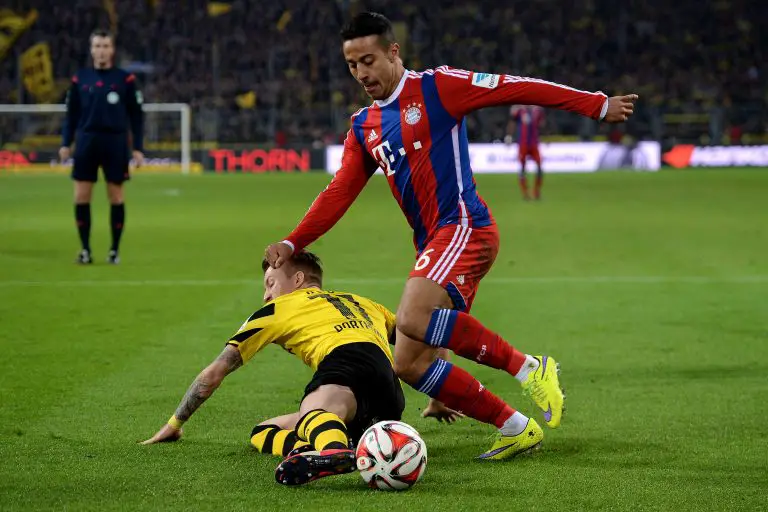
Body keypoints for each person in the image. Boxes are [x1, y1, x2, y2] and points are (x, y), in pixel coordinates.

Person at [265, 12, 638, 460]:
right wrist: (292, 243)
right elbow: (340, 191)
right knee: (409, 362)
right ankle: (516, 427)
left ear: (393, 51)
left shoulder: (437, 87)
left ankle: (530, 368)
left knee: (409, 318)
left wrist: (594, 104)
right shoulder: (364, 125)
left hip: (463, 227)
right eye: (351, 65)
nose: (361, 73)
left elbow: (512, 87)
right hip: (433, 245)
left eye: (368, 60)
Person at [141, 251, 412, 486]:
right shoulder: (362, 302)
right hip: (390, 394)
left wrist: (174, 423)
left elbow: (214, 372)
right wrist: (438, 395)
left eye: (271, 283)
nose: (266, 294)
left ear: (297, 280)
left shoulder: (278, 308)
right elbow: (419, 341)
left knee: (314, 409)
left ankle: (332, 450)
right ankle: (310, 449)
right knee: (264, 430)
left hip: (345, 362)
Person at [60, 29, 144, 265]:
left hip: (115, 141)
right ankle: (85, 250)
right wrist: (66, 143)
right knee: (81, 196)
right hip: (86, 141)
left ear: (112, 49)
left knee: (116, 196)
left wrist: (137, 147)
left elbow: (136, 116)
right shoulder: (80, 78)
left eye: (106, 46)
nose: (101, 50)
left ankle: (114, 251)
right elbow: (71, 115)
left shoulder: (125, 79)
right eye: (97, 46)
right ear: (91, 49)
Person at [507, 105, 545, 200]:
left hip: (534, 144)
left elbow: (542, 124)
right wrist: (509, 135)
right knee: (523, 168)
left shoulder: (538, 110)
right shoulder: (519, 110)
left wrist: (545, 135)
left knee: (539, 167)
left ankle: (536, 192)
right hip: (523, 144)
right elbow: (512, 122)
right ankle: (525, 193)